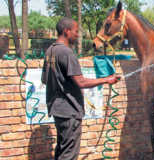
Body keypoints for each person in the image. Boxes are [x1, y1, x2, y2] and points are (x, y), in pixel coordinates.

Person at [41, 17, 120, 160]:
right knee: (69, 155)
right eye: (76, 31)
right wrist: (107, 80)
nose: (78, 35)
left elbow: (45, 80)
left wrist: (63, 85)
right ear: (66, 31)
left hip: (58, 110)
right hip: (69, 111)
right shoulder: (66, 53)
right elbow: (81, 82)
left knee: (62, 149)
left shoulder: (50, 51)